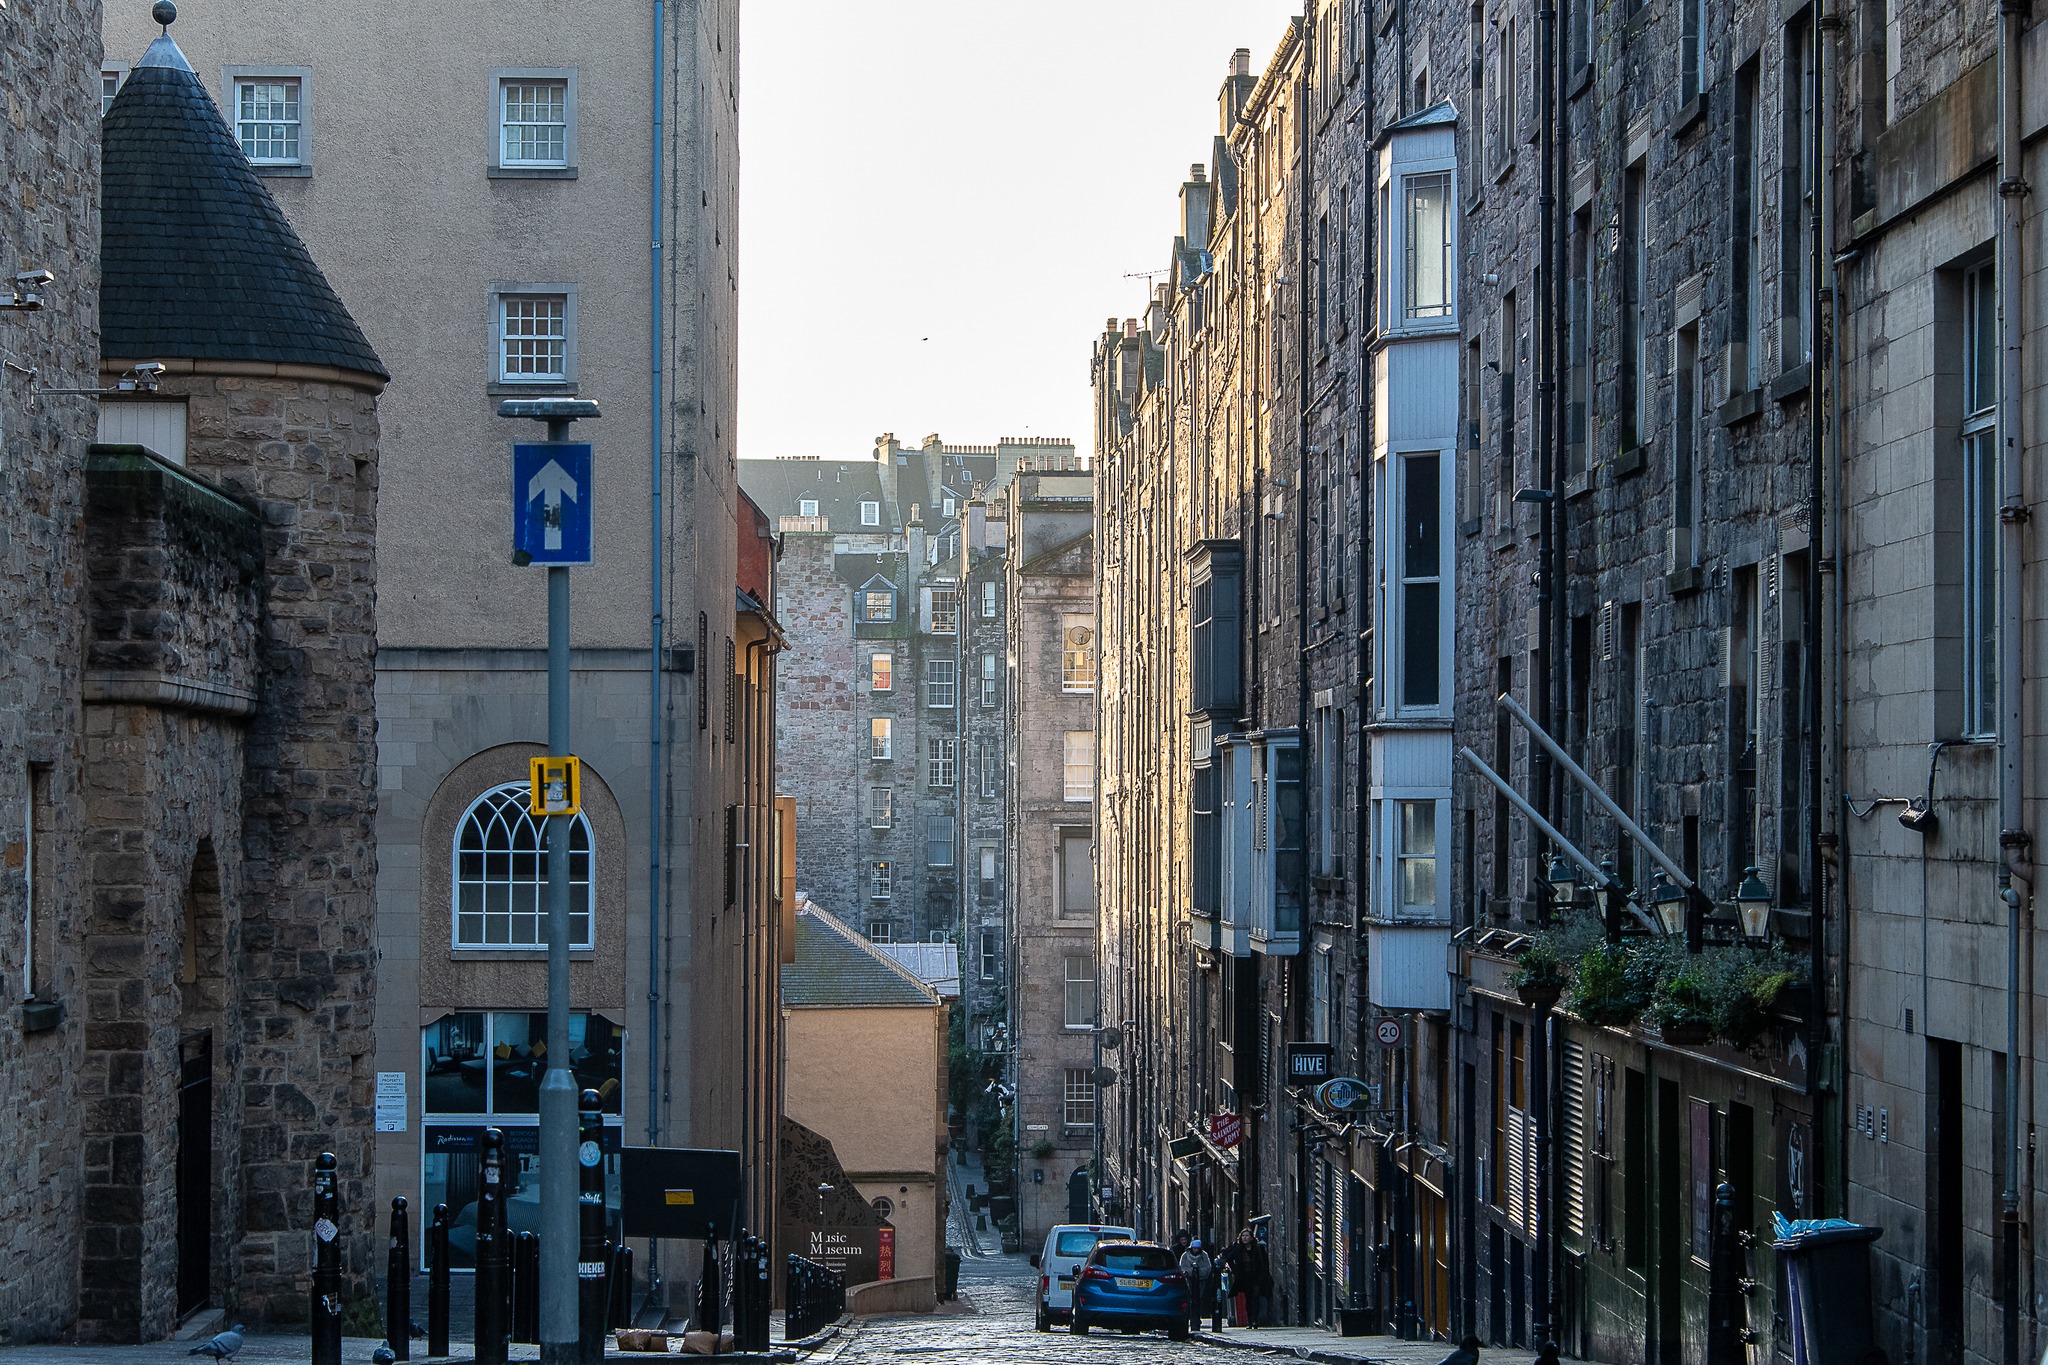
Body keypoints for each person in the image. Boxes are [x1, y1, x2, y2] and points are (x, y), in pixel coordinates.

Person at [1178, 1239, 1213, 1334]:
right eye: (1194, 1248)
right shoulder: (1185, 1256)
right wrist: (1190, 1272)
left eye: (1197, 1248)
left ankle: (1197, 1318)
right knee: (1189, 1299)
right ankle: (1190, 1317)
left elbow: (1208, 1267)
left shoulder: (1204, 1255)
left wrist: (1198, 1273)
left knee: (1198, 1299)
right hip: (1188, 1281)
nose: (1196, 1250)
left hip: (1201, 1281)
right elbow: (1182, 1267)